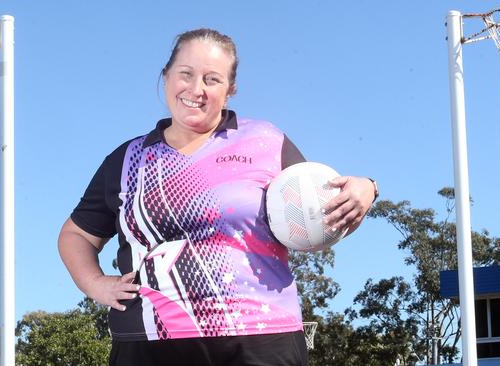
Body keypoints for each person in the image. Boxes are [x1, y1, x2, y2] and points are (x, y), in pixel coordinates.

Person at [58, 28, 378, 366]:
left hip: (261, 338)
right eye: (186, 74)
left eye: (212, 79)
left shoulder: (266, 141)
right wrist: (94, 284)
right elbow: (75, 235)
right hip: (149, 341)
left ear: (230, 91)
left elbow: (324, 214)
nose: (196, 90)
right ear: (166, 77)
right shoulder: (126, 160)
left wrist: (366, 189)